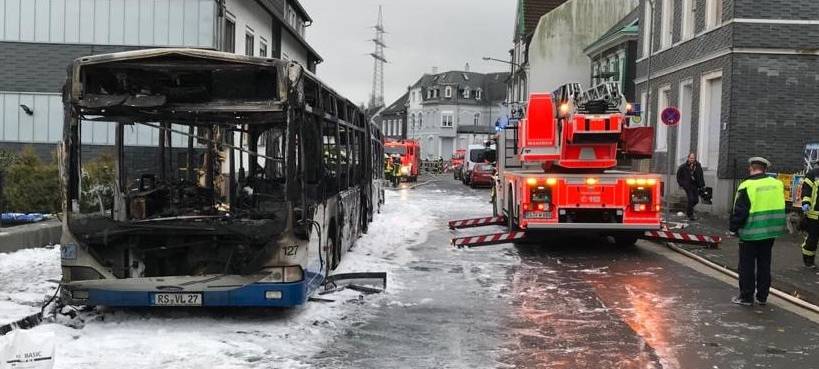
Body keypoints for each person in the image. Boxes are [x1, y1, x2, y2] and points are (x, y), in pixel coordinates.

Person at [728, 157, 787, 306]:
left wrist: (733, 228)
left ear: (751, 168)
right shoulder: (777, 184)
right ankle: (762, 296)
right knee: (764, 264)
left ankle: (746, 297)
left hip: (750, 232)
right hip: (770, 232)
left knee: (746, 266)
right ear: (765, 169)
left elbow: (740, 211)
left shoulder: (747, 185)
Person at [799, 160, 819, 269]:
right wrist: (806, 203)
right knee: (812, 239)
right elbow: (806, 190)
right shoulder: (812, 174)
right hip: (814, 214)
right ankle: (808, 260)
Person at [676, 152, 705, 220]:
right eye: (691, 158)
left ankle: (688, 210)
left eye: (693, 158)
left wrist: (702, 185)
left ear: (695, 159)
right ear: (688, 158)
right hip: (688, 185)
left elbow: (701, 176)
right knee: (691, 199)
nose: (692, 159)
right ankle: (690, 215)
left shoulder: (698, 166)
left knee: (696, 200)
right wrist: (682, 184)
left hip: (695, 185)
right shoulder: (683, 167)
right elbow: (678, 176)